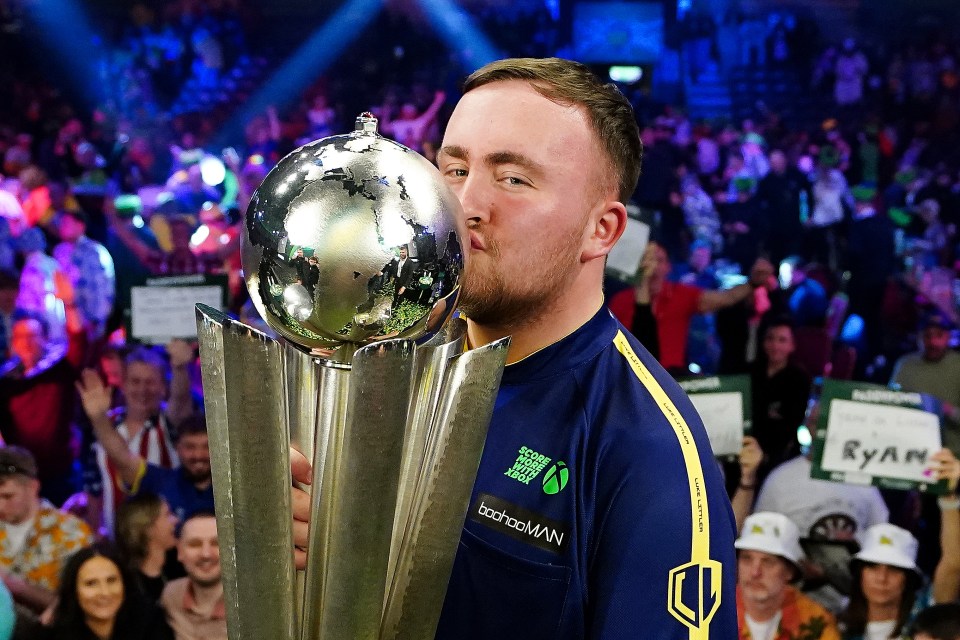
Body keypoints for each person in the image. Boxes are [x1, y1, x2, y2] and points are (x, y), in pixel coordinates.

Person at [292, 57, 738, 638]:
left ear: (600, 230)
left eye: (513, 179)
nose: (466, 204)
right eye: (453, 170)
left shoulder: (646, 449)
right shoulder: (387, 372)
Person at [607, 240, 773, 373]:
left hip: (671, 378)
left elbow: (725, 298)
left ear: (668, 267)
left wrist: (752, 283)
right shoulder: (620, 300)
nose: (654, 266)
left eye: (659, 260)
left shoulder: (680, 294)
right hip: (629, 378)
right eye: (648, 260)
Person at [76, 380, 214, 526]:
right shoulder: (162, 482)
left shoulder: (235, 488)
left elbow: (180, 401)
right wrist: (99, 417)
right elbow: (123, 459)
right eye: (190, 447)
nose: (198, 455)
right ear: (178, 448)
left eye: (206, 447)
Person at [0, 275, 86, 506]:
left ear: (45, 339)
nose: (26, 343)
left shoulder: (59, 372)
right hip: (19, 476)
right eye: (20, 338)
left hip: (61, 475)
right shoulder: (6, 383)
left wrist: (70, 304)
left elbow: (78, 340)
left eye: (32, 337)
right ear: (12, 344)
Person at [0, 446, 93, 615]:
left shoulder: (71, 533)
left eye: (8, 496)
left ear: (33, 487)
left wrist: (14, 586)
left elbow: (81, 607)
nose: (0, 506)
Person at [735, 511, 841, 639]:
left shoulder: (816, 621)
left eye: (768, 562)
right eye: (747, 559)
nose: (755, 572)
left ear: (789, 571)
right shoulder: (714, 610)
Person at [42, 544, 173, 640]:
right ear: (74, 591)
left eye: (111, 580)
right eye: (91, 583)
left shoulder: (150, 621)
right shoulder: (52, 634)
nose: (104, 592)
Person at [160, 513, 226, 640]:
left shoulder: (252, 603)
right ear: (180, 552)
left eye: (216, 543)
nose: (206, 554)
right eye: (195, 544)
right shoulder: (171, 595)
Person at [52, 209, 116, 340]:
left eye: (66, 223)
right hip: (64, 322)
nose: (62, 227)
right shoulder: (60, 251)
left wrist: (97, 318)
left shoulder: (94, 252)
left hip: (89, 322)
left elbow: (102, 288)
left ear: (80, 226)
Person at [115, 494, 180, 601]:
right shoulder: (126, 585)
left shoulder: (181, 568)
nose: (175, 520)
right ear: (148, 529)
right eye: (167, 515)